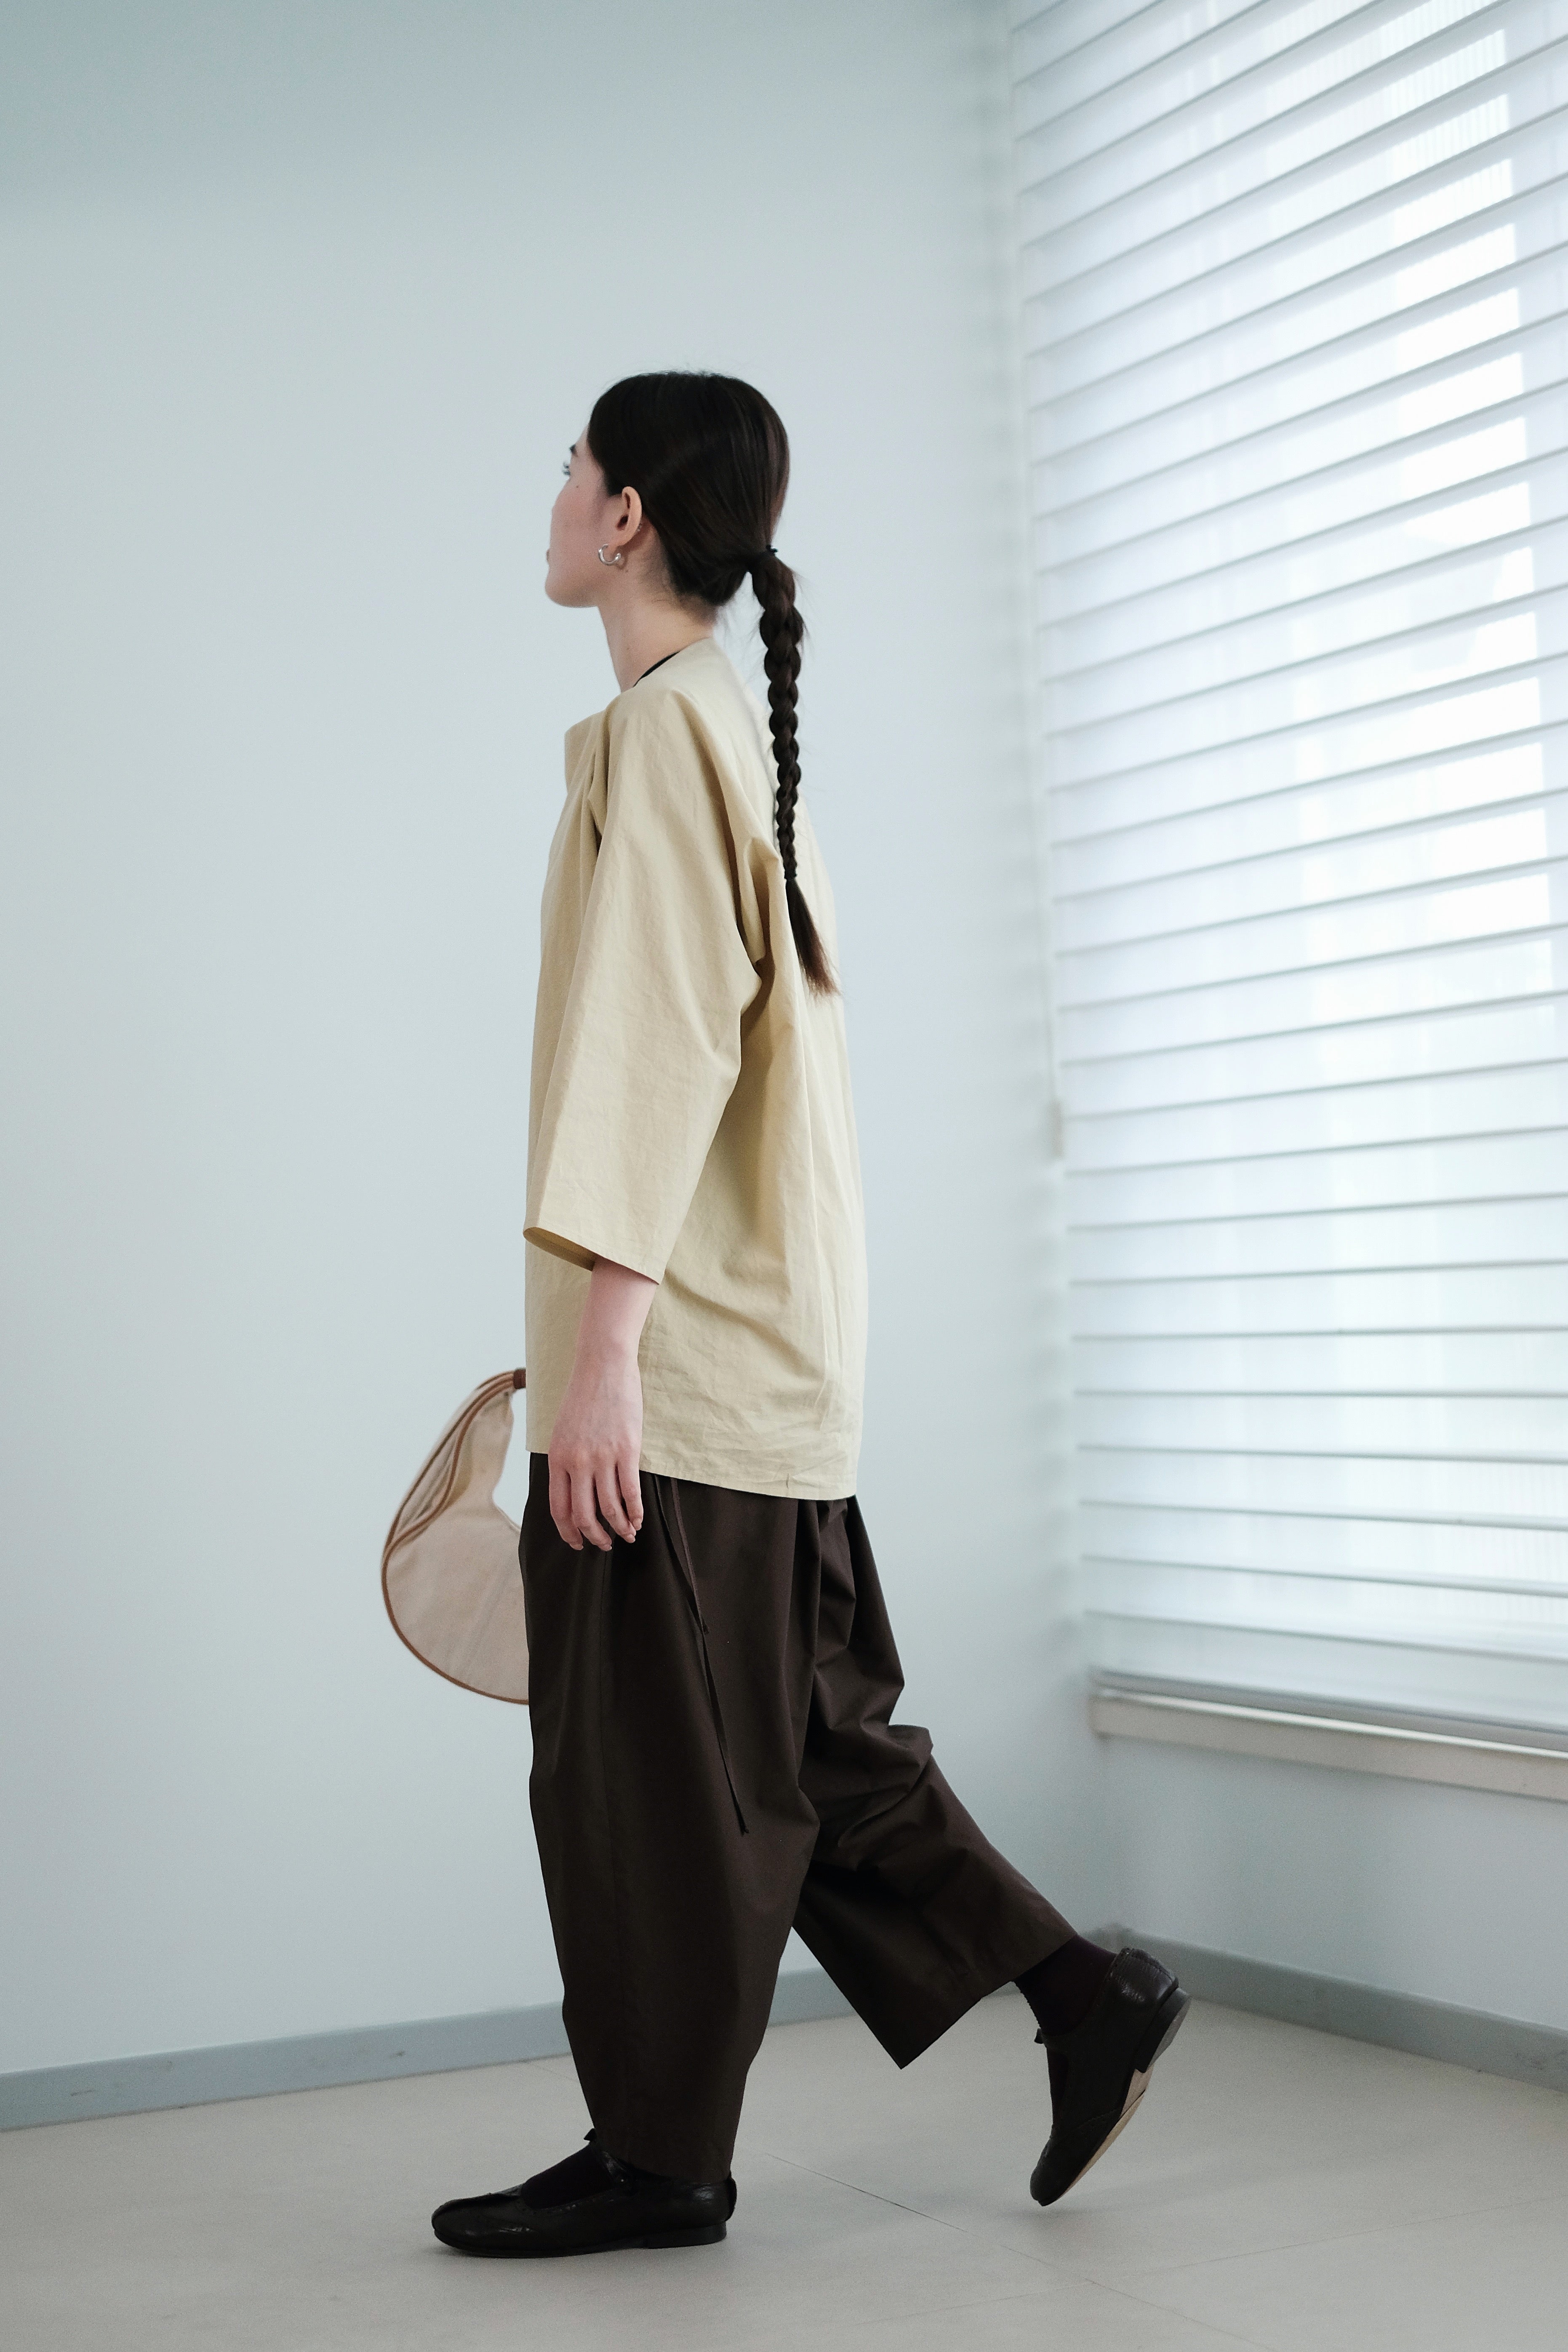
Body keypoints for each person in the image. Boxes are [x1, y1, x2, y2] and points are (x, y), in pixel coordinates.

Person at [431, 373, 1188, 2261]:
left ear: (626, 516)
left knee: (638, 1780)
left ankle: (660, 2157)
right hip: (766, 1363)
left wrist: (606, 1361)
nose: (554, 495)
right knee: (809, 1748)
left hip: (683, 1375)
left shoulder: (662, 740)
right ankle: (1084, 1995)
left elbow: (657, 1057)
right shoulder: (724, 737)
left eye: (570, 468)